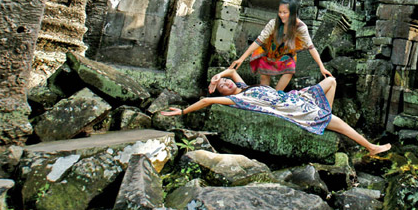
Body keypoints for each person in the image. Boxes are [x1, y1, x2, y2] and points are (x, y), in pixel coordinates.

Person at [162, 69, 391, 156]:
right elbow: (206, 100)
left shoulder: (244, 87)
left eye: (226, 82)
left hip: (295, 97)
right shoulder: (237, 98)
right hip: (292, 109)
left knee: (330, 81)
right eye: (222, 85)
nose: (226, 84)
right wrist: (182, 111)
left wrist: (217, 76)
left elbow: (232, 71)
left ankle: (321, 113)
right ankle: (370, 147)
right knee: (336, 121)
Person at [211, 0, 331, 92]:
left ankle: (276, 95)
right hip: (268, 51)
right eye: (280, 12)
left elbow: (311, 47)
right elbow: (259, 41)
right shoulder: (273, 23)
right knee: (265, 75)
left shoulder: (300, 27)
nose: (282, 15)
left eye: (285, 13)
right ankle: (264, 95)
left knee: (290, 70)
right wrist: (241, 59)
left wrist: (321, 66)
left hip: (286, 53)